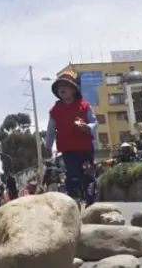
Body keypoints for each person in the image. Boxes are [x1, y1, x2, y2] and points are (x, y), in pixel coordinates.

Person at [44, 69, 98, 207]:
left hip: (85, 149)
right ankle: (75, 202)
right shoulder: (54, 110)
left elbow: (95, 123)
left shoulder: (85, 106)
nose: (63, 88)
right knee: (72, 177)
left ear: (74, 90)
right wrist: (47, 147)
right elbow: (50, 130)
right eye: (60, 86)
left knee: (88, 176)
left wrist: (87, 127)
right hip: (68, 151)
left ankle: (91, 201)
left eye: (66, 85)